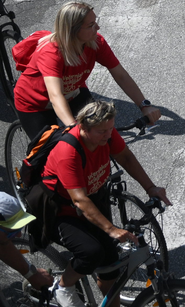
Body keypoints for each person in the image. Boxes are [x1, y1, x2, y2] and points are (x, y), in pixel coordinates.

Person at [41, 102, 170, 307]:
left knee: (110, 268)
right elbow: (79, 200)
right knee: (91, 253)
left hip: (94, 198)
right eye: (102, 131)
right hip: (62, 211)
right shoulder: (69, 151)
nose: (108, 135)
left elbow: (126, 158)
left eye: (111, 129)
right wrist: (111, 229)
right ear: (83, 127)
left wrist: (150, 188)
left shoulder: (106, 135)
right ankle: (63, 287)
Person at [12, 3, 161, 142]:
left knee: (108, 138)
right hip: (36, 103)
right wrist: (73, 127)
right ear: (72, 30)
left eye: (95, 22)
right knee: (49, 154)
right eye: (91, 25)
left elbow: (121, 75)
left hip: (72, 93)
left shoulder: (96, 42)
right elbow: (55, 96)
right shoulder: (52, 53)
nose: (98, 27)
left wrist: (144, 105)